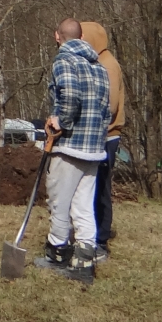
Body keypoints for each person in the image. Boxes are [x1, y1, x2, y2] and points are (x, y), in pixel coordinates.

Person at [37, 18, 112, 284]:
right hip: (93, 149)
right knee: (83, 206)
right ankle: (84, 260)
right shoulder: (98, 67)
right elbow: (106, 110)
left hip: (70, 147)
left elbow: (70, 97)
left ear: (58, 36)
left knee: (58, 202)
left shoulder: (64, 61)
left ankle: (57, 252)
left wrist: (60, 121)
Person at [80, 21, 124, 263]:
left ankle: (101, 241)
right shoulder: (97, 63)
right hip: (97, 135)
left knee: (101, 189)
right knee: (92, 188)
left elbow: (111, 105)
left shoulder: (108, 65)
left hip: (107, 136)